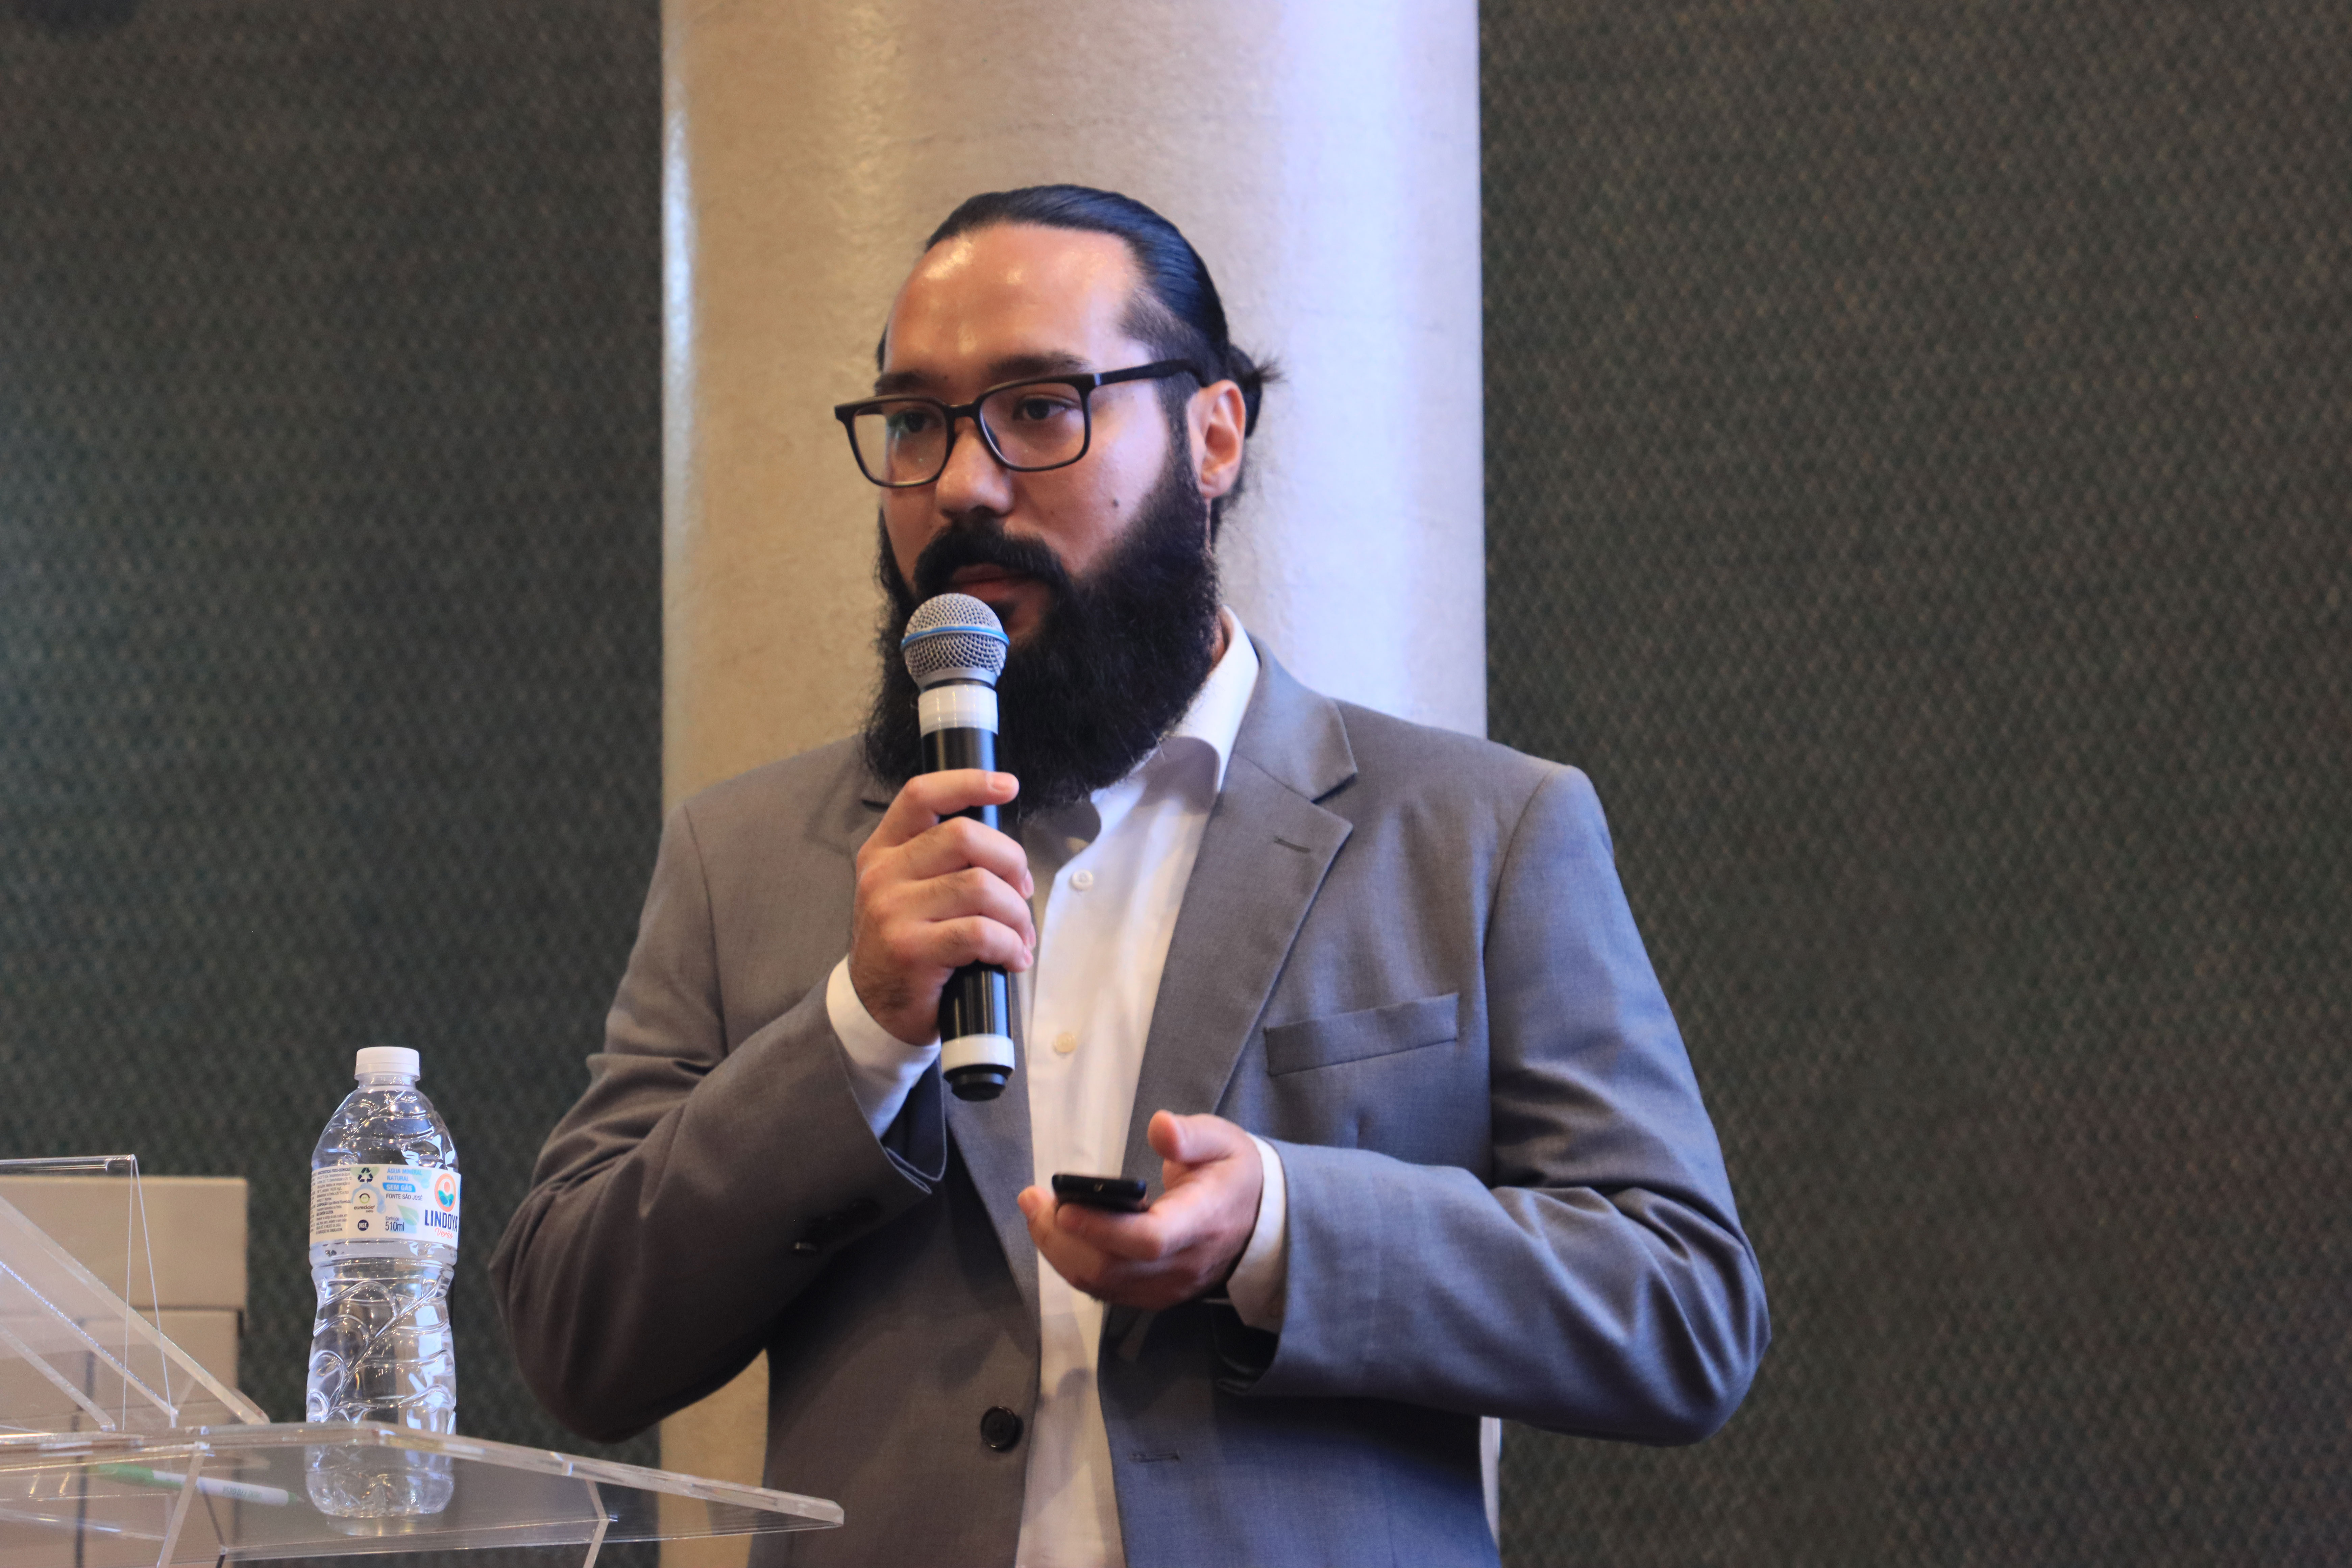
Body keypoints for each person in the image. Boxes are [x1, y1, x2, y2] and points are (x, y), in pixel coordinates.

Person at [491, 185, 1768, 1568]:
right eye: (915, 422)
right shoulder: (746, 857)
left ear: (1213, 434)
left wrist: (1283, 1227)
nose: (962, 486)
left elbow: (1685, 1309)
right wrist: (854, 1032)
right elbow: (574, 1335)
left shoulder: (1479, 832)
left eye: (1041, 407)